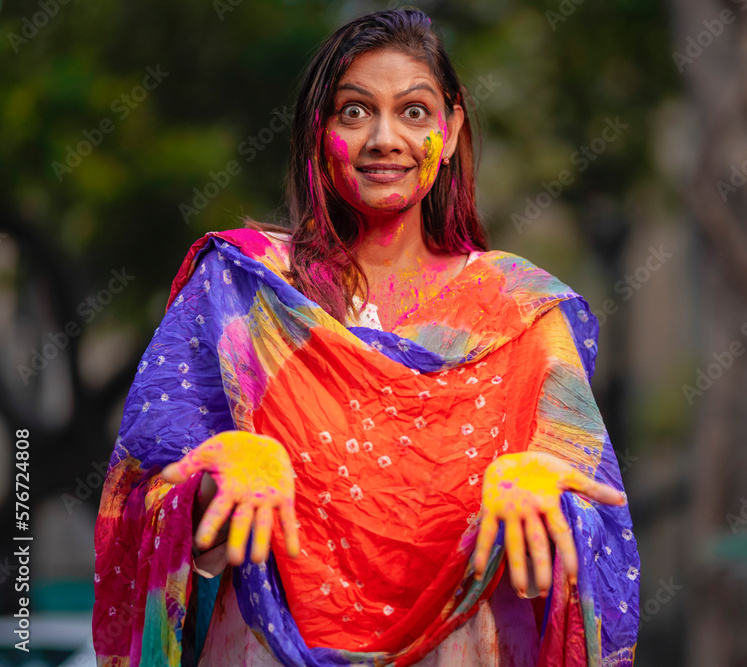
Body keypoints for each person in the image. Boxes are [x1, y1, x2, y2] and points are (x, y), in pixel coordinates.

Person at [93, 8, 640, 666]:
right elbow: (142, 500)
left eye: (413, 111)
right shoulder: (244, 292)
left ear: (452, 125)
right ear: (319, 131)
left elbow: (592, 550)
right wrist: (213, 488)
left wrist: (549, 511)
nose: (385, 138)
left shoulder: (520, 313)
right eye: (355, 112)